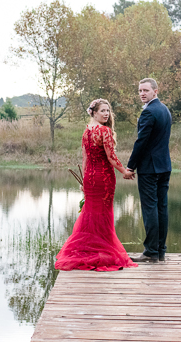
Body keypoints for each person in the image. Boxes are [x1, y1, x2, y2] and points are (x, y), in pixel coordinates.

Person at [55, 99, 138, 271]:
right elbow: (111, 157)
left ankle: (88, 249)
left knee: (91, 215)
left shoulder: (87, 131)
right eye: (102, 111)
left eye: (108, 111)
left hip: (91, 180)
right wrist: (124, 171)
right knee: (103, 215)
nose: (106, 114)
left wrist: (85, 180)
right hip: (104, 179)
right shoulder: (105, 131)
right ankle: (103, 251)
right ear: (93, 112)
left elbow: (85, 159)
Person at [124, 78, 172, 263]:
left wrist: (130, 166)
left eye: (145, 90)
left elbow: (141, 142)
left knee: (150, 208)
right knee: (162, 207)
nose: (142, 93)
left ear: (155, 91)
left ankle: (151, 251)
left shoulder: (149, 112)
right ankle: (160, 251)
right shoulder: (164, 110)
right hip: (164, 165)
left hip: (150, 168)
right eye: (139, 91)